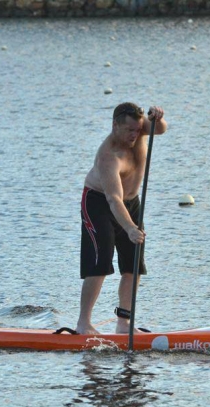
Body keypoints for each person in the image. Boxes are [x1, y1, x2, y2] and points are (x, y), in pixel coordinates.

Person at [77, 102, 167, 335]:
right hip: (99, 203)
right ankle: (83, 323)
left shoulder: (139, 128)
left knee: (133, 266)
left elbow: (160, 129)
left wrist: (158, 117)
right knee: (100, 264)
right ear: (115, 125)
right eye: (130, 131)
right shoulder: (108, 156)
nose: (135, 135)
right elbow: (114, 200)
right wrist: (129, 228)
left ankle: (124, 324)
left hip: (132, 202)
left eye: (138, 130)